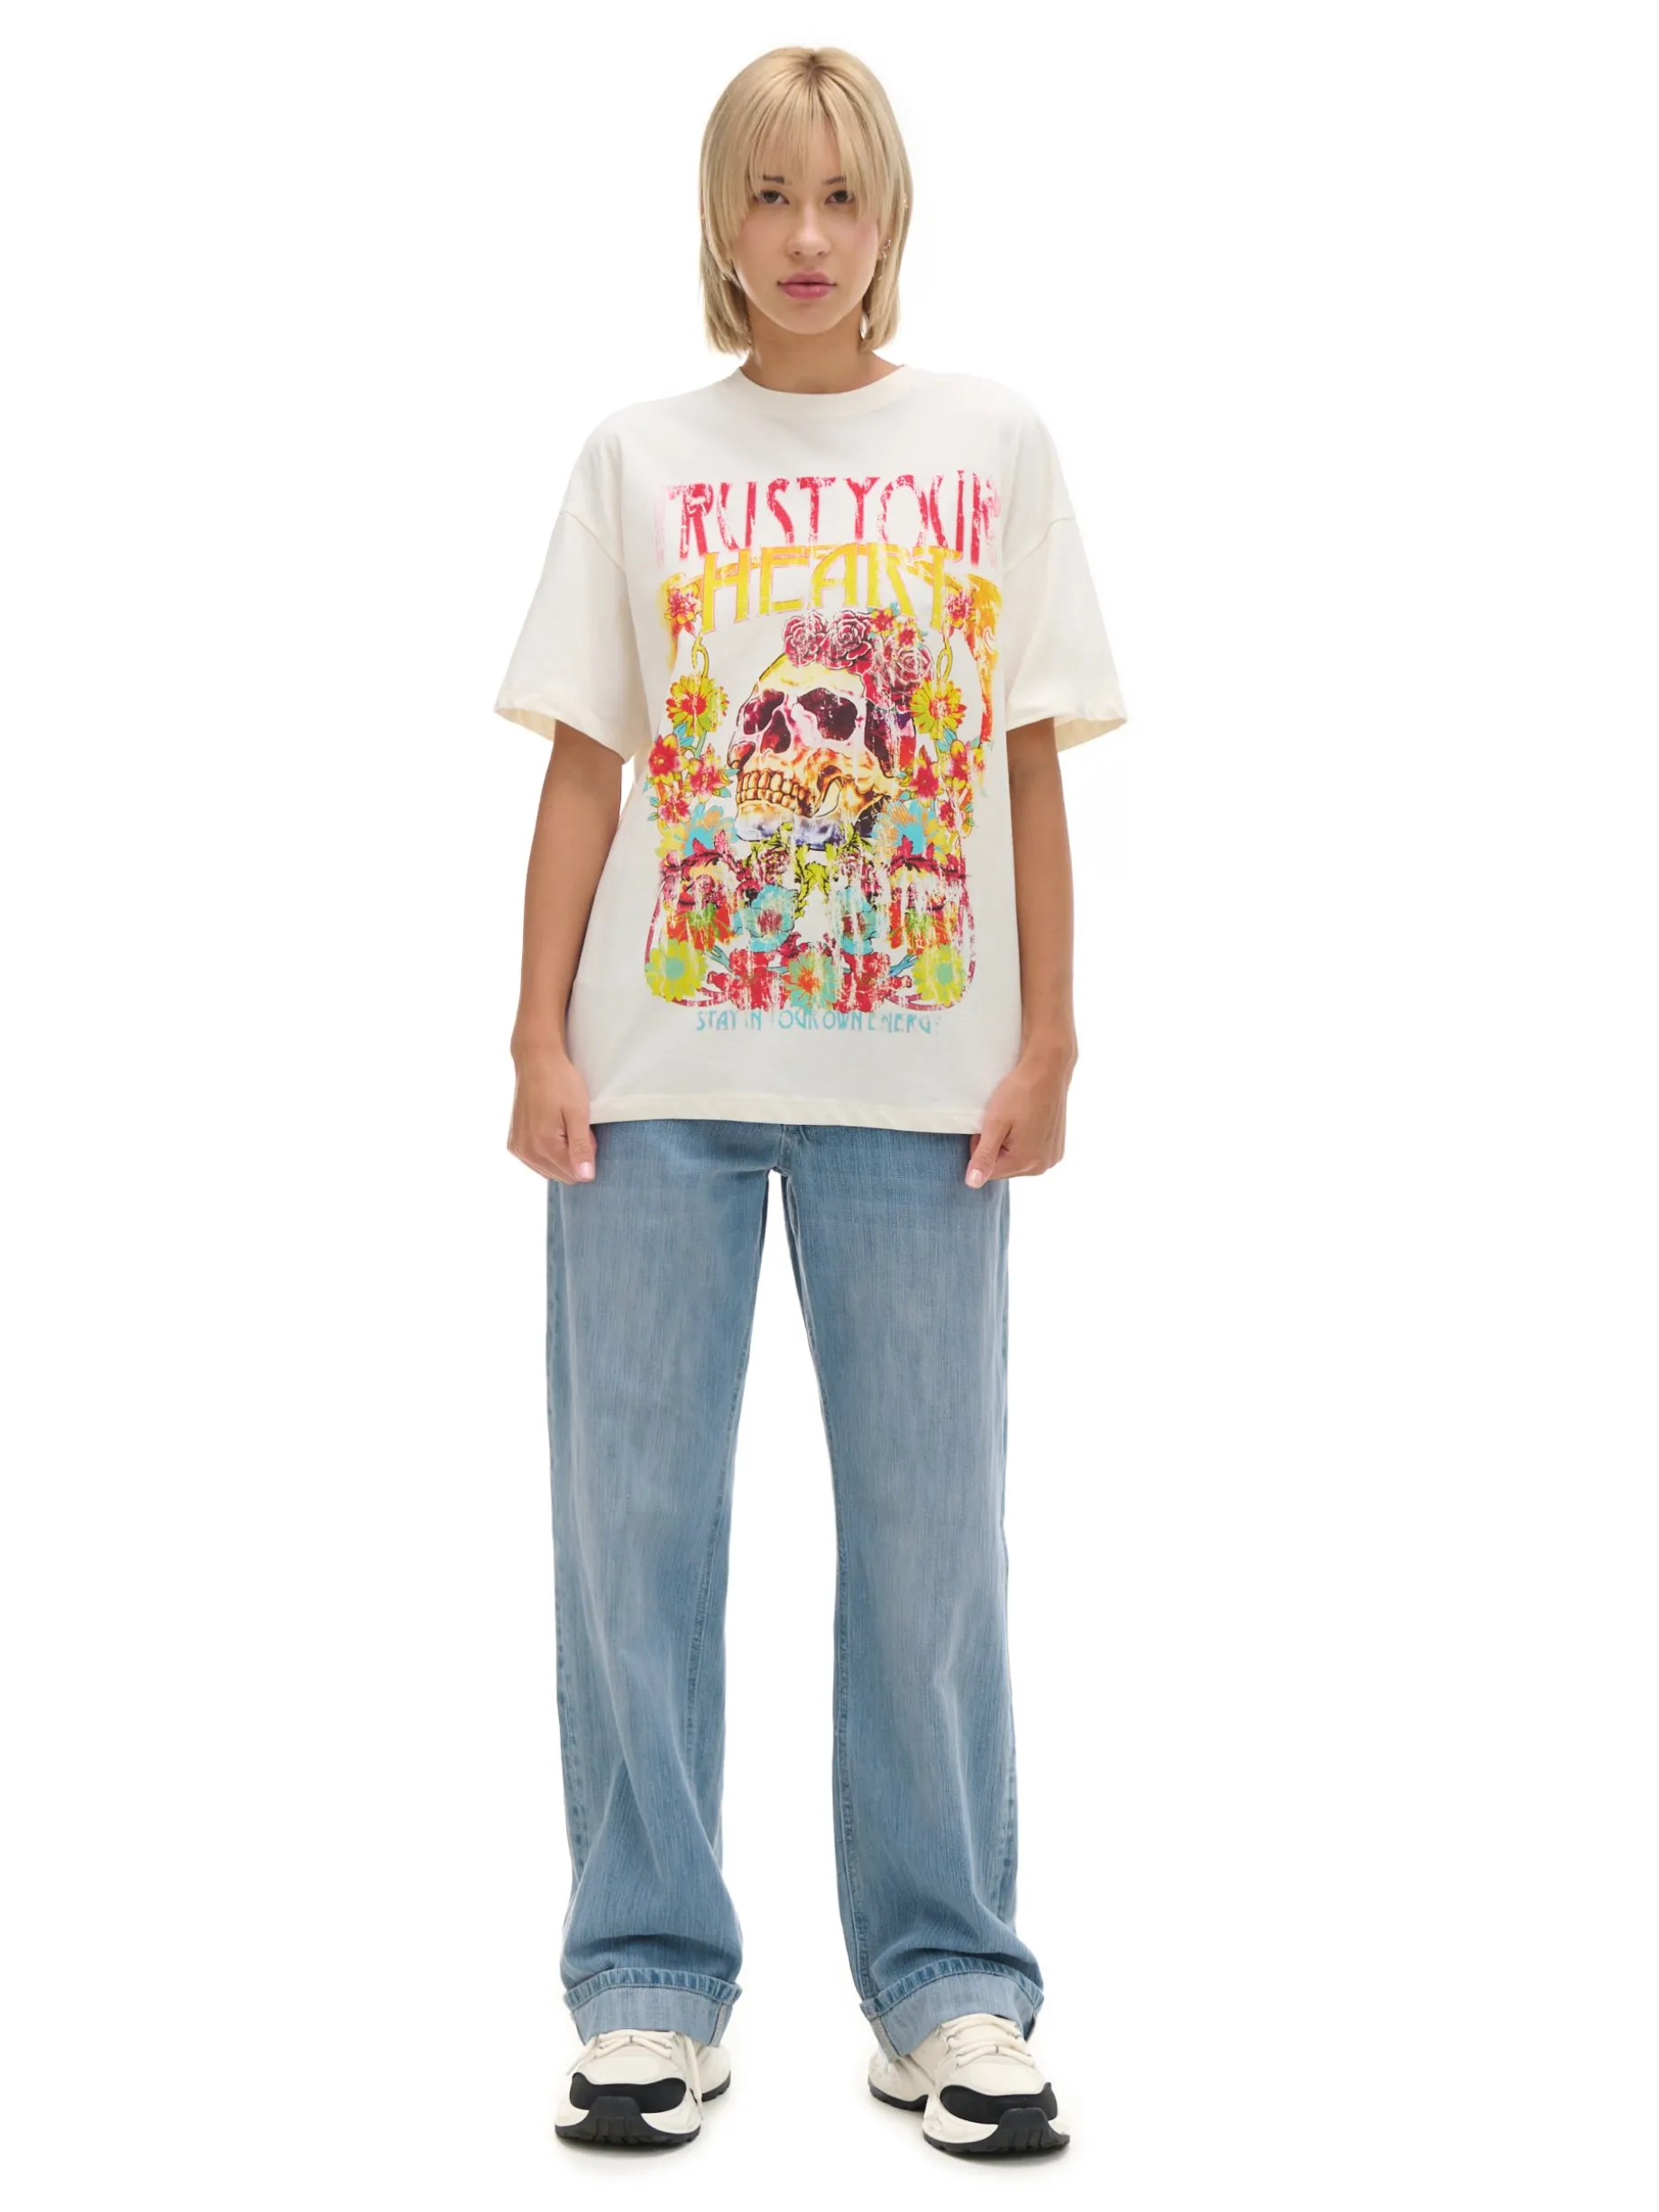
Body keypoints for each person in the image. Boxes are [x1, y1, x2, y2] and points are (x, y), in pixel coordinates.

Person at [492, 45, 1127, 2160]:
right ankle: (645, 1981)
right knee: (632, 1536)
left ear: (888, 217)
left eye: (839, 196)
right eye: (765, 195)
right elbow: (585, 766)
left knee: (932, 1544)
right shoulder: (637, 458)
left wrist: (1049, 1036)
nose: (802, 237)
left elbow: (1021, 763)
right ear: (716, 216)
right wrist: (534, 1037)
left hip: (923, 1083)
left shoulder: (990, 443)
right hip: (652, 1080)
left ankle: (945, 1986)